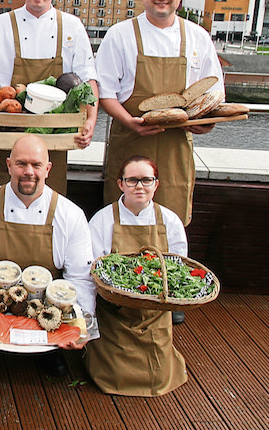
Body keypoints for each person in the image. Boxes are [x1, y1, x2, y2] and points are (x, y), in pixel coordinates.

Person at [0, 135, 94, 376]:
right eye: (21, 164)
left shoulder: (71, 215)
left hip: (48, 310)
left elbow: (80, 277)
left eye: (36, 165)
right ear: (9, 165)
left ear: (48, 169)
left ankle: (50, 350)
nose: (29, 172)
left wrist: (81, 327)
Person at [95, 0, 224, 227]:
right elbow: (104, 93)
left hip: (175, 149)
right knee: (122, 222)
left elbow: (214, 93)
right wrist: (129, 120)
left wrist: (206, 122)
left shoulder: (198, 37)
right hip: (130, 140)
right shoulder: (120, 35)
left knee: (171, 222)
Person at [0, 0, 98, 196]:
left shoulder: (72, 26)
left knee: (48, 212)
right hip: (4, 137)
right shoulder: (1, 25)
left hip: (52, 141)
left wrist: (90, 120)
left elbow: (88, 79)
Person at [84, 156, 188, 396]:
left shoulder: (170, 221)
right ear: (121, 184)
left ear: (156, 184)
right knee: (114, 375)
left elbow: (177, 268)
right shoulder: (102, 219)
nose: (139, 186)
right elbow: (94, 269)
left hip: (155, 312)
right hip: (115, 312)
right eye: (132, 180)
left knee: (159, 374)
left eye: (146, 180)